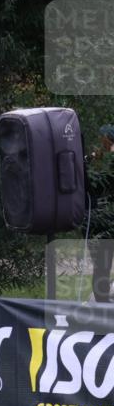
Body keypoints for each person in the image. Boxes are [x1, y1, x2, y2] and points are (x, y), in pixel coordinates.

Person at [85, 124, 114, 303]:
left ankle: (102, 300)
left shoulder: (96, 162)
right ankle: (102, 302)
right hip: (100, 220)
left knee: (102, 265)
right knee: (102, 264)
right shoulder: (95, 162)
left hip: (100, 218)